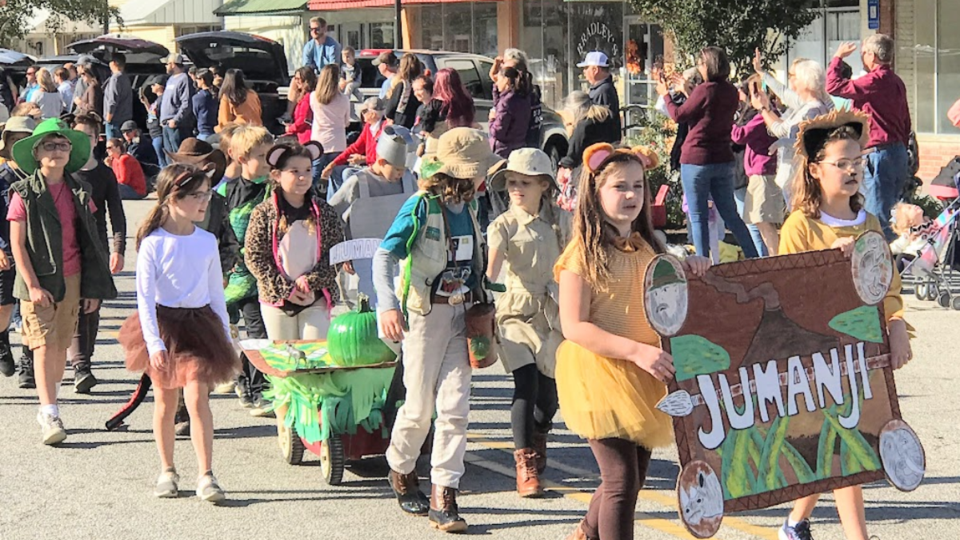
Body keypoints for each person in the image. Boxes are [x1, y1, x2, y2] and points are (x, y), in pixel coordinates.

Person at [554, 142, 710, 540]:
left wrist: (690, 267)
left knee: (633, 477)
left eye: (638, 186)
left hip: (642, 374)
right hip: (600, 373)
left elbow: (670, 291)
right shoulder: (581, 256)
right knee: (621, 479)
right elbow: (573, 326)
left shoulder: (649, 246)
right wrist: (635, 350)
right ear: (596, 192)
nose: (631, 196)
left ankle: (588, 531)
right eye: (619, 187)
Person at [777, 110, 912, 540]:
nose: (853, 170)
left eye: (858, 161)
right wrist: (826, 264)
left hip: (861, 350)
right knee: (844, 447)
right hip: (818, 353)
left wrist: (894, 324)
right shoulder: (800, 226)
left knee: (836, 442)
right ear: (815, 170)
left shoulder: (869, 222)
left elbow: (886, 285)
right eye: (841, 163)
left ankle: (795, 523)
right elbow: (786, 291)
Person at [377, 128, 501, 533]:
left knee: (455, 409)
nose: (483, 178)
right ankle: (400, 466)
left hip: (463, 316)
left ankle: (444, 493)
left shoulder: (473, 207)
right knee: (418, 409)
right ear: (461, 174)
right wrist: (387, 306)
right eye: (478, 171)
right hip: (425, 317)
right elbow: (384, 256)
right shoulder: (420, 207)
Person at [118, 163, 238, 503]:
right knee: (165, 400)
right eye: (197, 196)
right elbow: (143, 297)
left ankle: (206, 474)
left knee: (198, 395)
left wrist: (226, 334)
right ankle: (168, 470)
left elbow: (216, 291)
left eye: (207, 195)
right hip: (164, 326)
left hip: (201, 327)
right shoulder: (153, 243)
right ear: (173, 197)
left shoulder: (207, 240)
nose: (205, 202)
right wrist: (154, 342)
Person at [7, 118, 117, 445]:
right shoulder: (23, 193)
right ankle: (49, 411)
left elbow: (93, 239)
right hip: (36, 281)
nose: (57, 151)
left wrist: (92, 288)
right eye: (50, 146)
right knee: (42, 345)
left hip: (73, 278)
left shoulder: (80, 191)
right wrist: (32, 284)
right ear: (37, 153)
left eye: (63, 145)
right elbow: (17, 243)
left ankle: (49, 400)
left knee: (58, 350)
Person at [485, 148, 566, 498]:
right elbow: (491, 272)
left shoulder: (561, 221)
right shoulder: (502, 225)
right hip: (515, 311)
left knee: (549, 398)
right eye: (512, 182)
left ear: (544, 185)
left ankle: (539, 431)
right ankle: (526, 464)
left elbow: (576, 260)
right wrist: (482, 302)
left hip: (553, 312)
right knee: (526, 382)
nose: (516, 188)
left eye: (525, 182)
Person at [658, 46, 759, 260]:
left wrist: (665, 95)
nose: (698, 66)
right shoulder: (730, 91)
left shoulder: (705, 90)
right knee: (731, 215)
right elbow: (707, 104)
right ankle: (753, 257)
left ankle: (702, 264)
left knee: (698, 216)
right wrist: (689, 89)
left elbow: (678, 115)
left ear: (708, 65)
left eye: (700, 63)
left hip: (696, 159)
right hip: (723, 159)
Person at [245, 141, 343, 342]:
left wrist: (311, 280)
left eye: (308, 170)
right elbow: (255, 257)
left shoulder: (324, 211)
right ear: (276, 175)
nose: (303, 177)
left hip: (316, 296)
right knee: (285, 361)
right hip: (277, 300)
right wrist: (285, 290)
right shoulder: (263, 213)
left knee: (314, 357)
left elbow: (336, 253)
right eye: (294, 171)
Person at [826, 35, 911, 240]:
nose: (862, 57)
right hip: (897, 151)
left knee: (878, 215)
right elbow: (906, 121)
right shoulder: (896, 81)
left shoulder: (874, 80)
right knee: (891, 212)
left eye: (864, 53)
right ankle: (891, 261)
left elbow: (833, 86)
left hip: (880, 153)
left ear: (872, 55)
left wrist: (838, 57)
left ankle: (883, 266)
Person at [216, 124, 274, 414]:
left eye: (269, 155)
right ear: (240, 159)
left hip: (259, 277)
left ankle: (257, 390)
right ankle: (238, 377)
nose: (267, 162)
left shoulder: (273, 191)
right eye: (261, 156)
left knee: (258, 333)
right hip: (227, 274)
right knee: (226, 335)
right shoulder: (223, 193)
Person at [70, 114, 127, 392]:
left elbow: (116, 213)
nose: (83, 141)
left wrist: (119, 249)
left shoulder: (104, 174)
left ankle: (85, 360)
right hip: (68, 246)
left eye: (88, 136)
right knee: (78, 305)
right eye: (77, 136)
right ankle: (81, 366)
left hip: (98, 247)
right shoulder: (64, 171)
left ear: (96, 140)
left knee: (93, 307)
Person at [329, 126, 417, 303]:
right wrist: (344, 251)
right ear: (382, 161)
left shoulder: (408, 180)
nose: (401, 174)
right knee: (371, 304)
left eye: (403, 169)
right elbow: (332, 215)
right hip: (365, 255)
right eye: (397, 169)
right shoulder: (357, 182)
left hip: (403, 254)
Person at [753, 51, 833, 211]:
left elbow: (781, 131)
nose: (791, 79)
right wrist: (762, 73)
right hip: (796, 174)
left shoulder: (811, 110)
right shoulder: (812, 105)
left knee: (801, 217)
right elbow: (784, 93)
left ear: (804, 81)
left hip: (797, 175)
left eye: (793, 75)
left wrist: (762, 108)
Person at [731, 75, 782, 256]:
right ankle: (771, 256)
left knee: (763, 220)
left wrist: (727, 118)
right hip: (761, 172)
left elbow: (739, 135)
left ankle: (774, 258)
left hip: (762, 172)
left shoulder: (763, 116)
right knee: (760, 221)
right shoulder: (770, 114)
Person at [0, 116, 34, 380]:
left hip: (36, 251)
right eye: (14, 140)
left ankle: (28, 360)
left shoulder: (40, 176)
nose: (18, 144)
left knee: (31, 307)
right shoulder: (2, 177)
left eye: (24, 140)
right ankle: (2, 341)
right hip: (6, 250)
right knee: (5, 306)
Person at [556, 91, 619, 207]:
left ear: (575, 110)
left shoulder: (583, 126)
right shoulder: (606, 118)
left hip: (585, 175)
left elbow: (573, 154)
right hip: (609, 169)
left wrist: (562, 166)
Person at [320, 96, 385, 185]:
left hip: (380, 171)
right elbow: (355, 147)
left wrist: (364, 159)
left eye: (364, 111)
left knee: (348, 173)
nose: (362, 114)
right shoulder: (368, 127)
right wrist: (333, 164)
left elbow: (386, 158)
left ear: (373, 114)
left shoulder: (385, 129)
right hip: (370, 168)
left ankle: (347, 198)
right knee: (335, 170)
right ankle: (335, 198)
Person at [490, 49, 543, 149]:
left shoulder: (519, 96)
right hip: (521, 145)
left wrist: (492, 118)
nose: (500, 73)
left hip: (518, 145)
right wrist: (497, 84)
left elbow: (499, 130)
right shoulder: (521, 93)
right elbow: (500, 104)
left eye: (505, 70)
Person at [311, 64, 352, 191]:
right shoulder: (344, 99)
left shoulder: (314, 96)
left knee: (314, 175)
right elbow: (346, 122)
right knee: (337, 179)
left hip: (319, 140)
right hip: (338, 142)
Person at [489, 66, 532, 160]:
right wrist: (495, 88)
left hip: (503, 150)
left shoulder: (507, 102)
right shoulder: (522, 97)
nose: (497, 82)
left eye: (499, 79)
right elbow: (498, 104)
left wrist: (492, 119)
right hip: (519, 146)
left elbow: (498, 132)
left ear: (506, 80)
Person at [578, 52, 621, 139]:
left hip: (602, 146)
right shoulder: (602, 88)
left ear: (595, 70)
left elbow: (600, 124)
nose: (584, 71)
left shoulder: (604, 91)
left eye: (586, 68)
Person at [160, 54, 195, 156]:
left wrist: (176, 119)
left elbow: (187, 103)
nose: (166, 66)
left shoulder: (184, 79)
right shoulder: (170, 79)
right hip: (166, 124)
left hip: (178, 126)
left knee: (179, 155)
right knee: (169, 156)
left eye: (167, 64)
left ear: (173, 64)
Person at [384, 53, 423, 130]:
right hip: (417, 123)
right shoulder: (421, 84)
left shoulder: (403, 85)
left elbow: (390, 109)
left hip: (401, 123)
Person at [103, 53, 133, 139]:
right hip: (125, 118)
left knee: (113, 146)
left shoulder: (115, 78)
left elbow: (112, 100)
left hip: (114, 120)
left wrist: (108, 118)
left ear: (114, 63)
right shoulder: (125, 77)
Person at [286, 67, 317, 145]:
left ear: (305, 80)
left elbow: (303, 120)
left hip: (306, 138)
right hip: (302, 137)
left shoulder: (307, 97)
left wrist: (290, 128)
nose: (296, 81)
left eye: (298, 78)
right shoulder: (304, 96)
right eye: (295, 78)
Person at [143, 75, 167, 168]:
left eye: (153, 85)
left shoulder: (163, 99)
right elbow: (152, 114)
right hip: (154, 134)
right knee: (160, 160)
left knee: (163, 162)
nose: (151, 87)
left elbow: (158, 114)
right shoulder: (157, 100)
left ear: (160, 86)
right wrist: (146, 103)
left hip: (159, 134)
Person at [192, 69, 218, 142]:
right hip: (216, 128)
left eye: (197, 79)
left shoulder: (198, 97)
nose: (196, 81)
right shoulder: (217, 93)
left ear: (202, 80)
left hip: (204, 130)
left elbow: (195, 112)